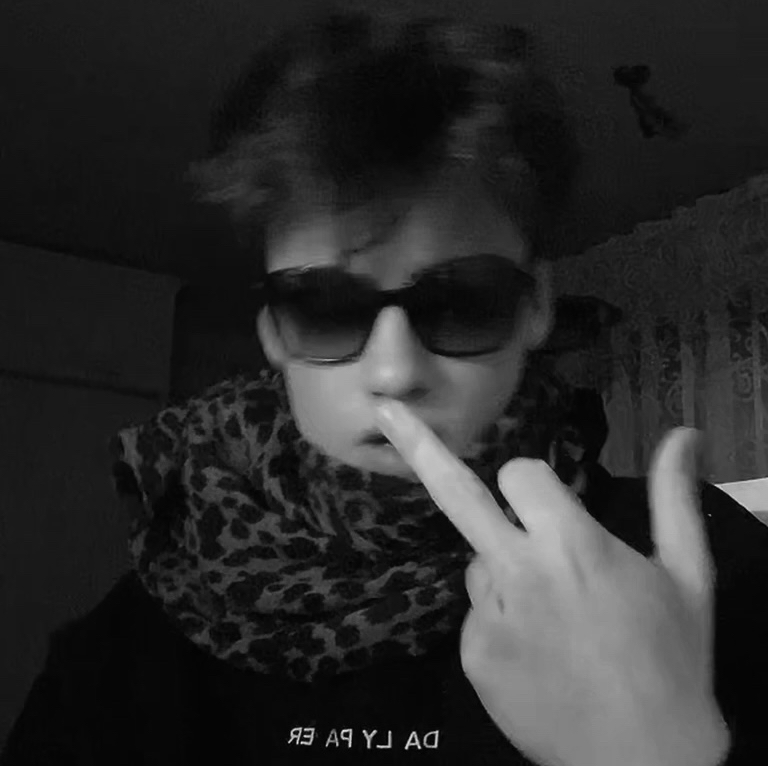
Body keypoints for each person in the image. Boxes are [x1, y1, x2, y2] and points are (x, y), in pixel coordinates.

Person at [3, 7, 767, 765]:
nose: (395, 372)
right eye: (327, 309)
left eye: (460, 302)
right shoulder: (127, 653)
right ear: (275, 333)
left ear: (535, 306)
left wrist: (662, 749)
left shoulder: (712, 567)